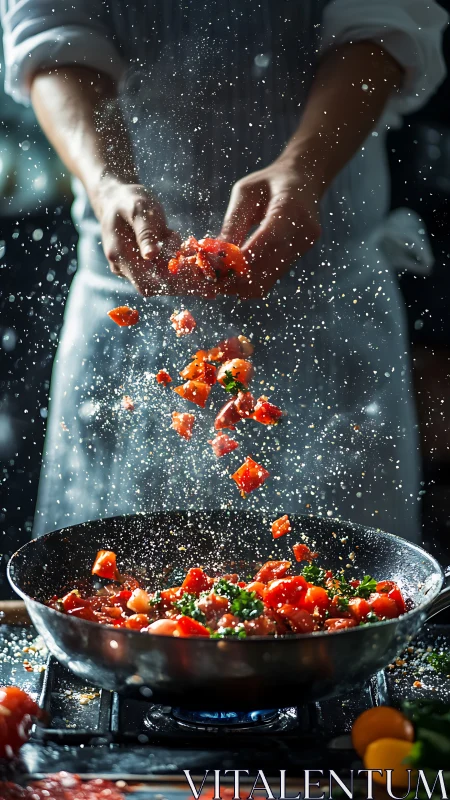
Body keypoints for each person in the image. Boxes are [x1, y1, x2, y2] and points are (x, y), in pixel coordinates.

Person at [1, 0, 447, 542]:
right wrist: (107, 182)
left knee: (349, 571)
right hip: (127, 291)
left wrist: (303, 170)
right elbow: (51, 36)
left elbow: (383, 23)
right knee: (112, 569)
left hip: (329, 291)